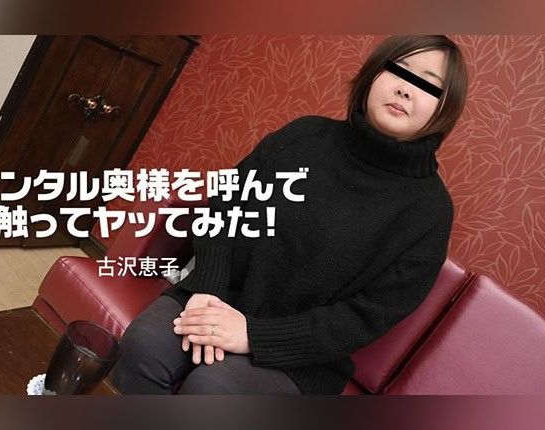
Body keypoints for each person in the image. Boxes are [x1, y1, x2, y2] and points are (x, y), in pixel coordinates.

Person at [110, 35, 469, 395]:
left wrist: (254, 335)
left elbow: (366, 316)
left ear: (444, 109)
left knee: (213, 389)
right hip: (218, 297)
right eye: (399, 71)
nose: (406, 89)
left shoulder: (430, 212)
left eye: (428, 85)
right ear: (373, 75)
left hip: (302, 356)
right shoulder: (304, 135)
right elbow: (224, 204)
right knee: (144, 347)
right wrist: (207, 288)